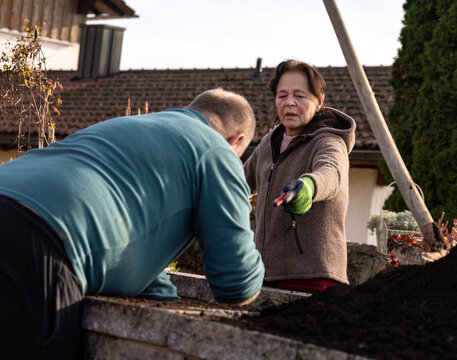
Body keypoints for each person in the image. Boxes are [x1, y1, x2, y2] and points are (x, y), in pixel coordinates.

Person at [0, 88, 265, 359]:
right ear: (237, 141)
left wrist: (165, 300)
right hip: (35, 241)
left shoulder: (130, 126)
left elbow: (135, 245)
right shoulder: (216, 150)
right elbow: (237, 280)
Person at [244, 59, 356, 293]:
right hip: (263, 274)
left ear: (318, 103)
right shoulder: (268, 143)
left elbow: (331, 174)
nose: (290, 103)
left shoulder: (329, 141)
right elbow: (238, 183)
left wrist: (308, 186)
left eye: (300, 96)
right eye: (282, 95)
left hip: (312, 277)